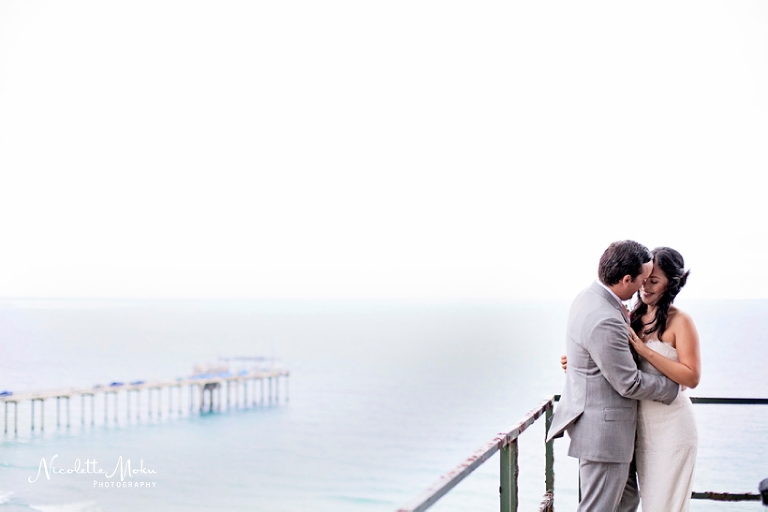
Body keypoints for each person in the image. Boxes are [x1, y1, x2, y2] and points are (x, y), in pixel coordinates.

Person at [546, 240, 680, 512]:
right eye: (642, 279)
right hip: (605, 432)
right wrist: (671, 388)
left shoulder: (589, 296)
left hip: (607, 428)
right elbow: (628, 383)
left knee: (627, 503)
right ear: (626, 279)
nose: (643, 286)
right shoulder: (605, 316)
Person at [627, 247, 699, 511]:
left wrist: (644, 350)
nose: (645, 287)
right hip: (641, 431)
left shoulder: (680, 321)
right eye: (643, 279)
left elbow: (691, 377)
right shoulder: (633, 318)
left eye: (654, 281)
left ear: (672, 283)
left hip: (672, 429)